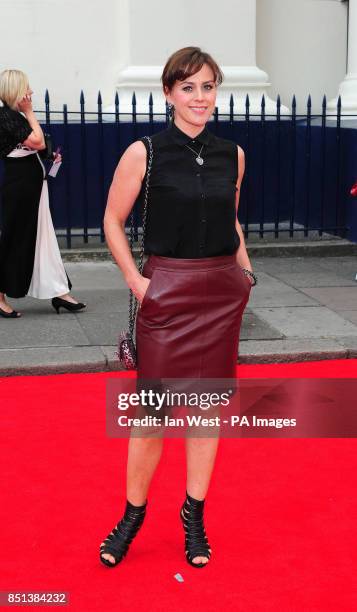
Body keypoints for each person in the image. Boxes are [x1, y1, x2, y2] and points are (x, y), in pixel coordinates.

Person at [101, 47, 257, 569]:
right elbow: (112, 221)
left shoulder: (231, 153)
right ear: (168, 92)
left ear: (217, 92)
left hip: (221, 293)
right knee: (152, 415)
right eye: (188, 87)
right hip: (167, 291)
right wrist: (138, 282)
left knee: (206, 412)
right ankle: (132, 516)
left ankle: (194, 515)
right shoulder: (144, 152)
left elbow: (232, 221)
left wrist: (246, 271)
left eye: (208, 87)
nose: (200, 98)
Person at [0, 69, 86, 317]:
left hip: (32, 185)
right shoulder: (7, 116)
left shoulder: (13, 117)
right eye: (26, 88)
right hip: (20, 188)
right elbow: (35, 141)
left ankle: (59, 292)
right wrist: (29, 112)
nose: (30, 93)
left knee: (43, 238)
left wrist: (48, 156)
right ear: (15, 90)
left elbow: (33, 147)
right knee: (14, 239)